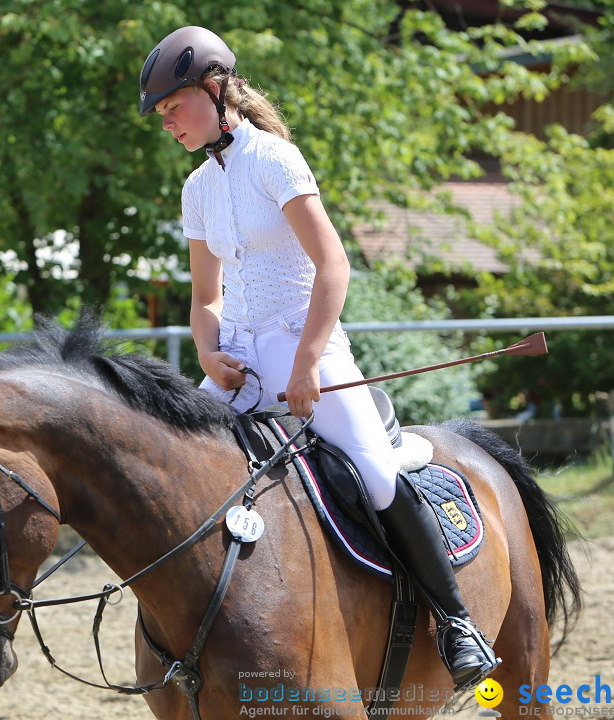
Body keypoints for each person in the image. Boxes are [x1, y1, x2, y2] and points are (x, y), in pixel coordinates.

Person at [138, 26, 498, 689]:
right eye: (160, 116)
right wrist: (207, 352)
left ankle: (456, 621)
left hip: (310, 353)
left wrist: (305, 365)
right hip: (238, 368)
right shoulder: (197, 190)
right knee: (167, 467)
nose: (167, 124)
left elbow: (333, 266)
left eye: (172, 108)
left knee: (377, 473)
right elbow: (203, 297)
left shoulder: (275, 160)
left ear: (215, 91)